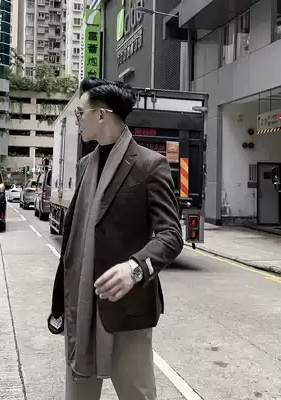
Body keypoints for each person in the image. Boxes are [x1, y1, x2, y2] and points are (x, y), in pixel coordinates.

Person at [49, 77, 183, 400]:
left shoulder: (150, 165)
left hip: (127, 309)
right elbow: (74, 238)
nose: (77, 120)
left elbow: (171, 235)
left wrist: (134, 268)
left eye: (80, 113)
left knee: (138, 395)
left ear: (101, 115)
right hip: (81, 308)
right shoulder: (85, 166)